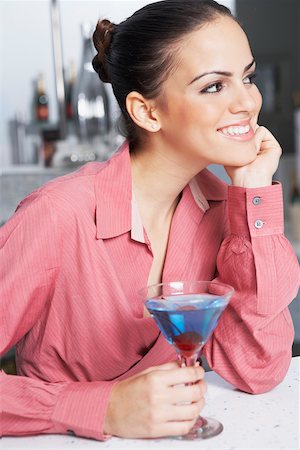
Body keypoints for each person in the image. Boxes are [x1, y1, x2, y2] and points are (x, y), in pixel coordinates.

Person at [1, 0, 299, 442]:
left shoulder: (225, 212)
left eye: (248, 77)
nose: (248, 102)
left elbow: (257, 369)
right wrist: (102, 409)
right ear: (147, 112)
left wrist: (254, 193)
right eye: (214, 87)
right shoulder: (57, 217)